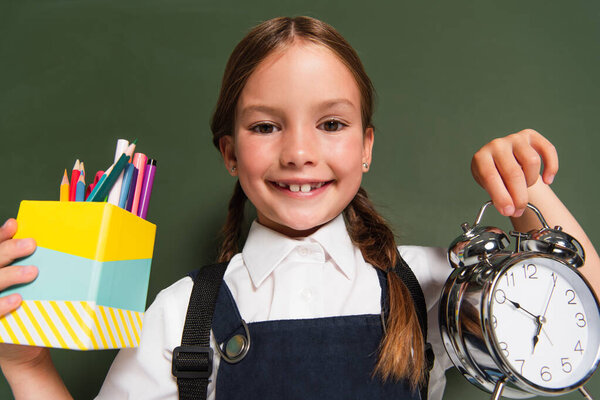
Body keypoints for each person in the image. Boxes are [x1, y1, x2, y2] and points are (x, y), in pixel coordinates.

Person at [0, 15, 598, 400]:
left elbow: (586, 321)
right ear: (230, 154)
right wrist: (26, 365)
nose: (300, 152)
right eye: (266, 126)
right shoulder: (182, 313)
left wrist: (525, 190)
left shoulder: (427, 285)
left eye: (332, 123)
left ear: (366, 147)